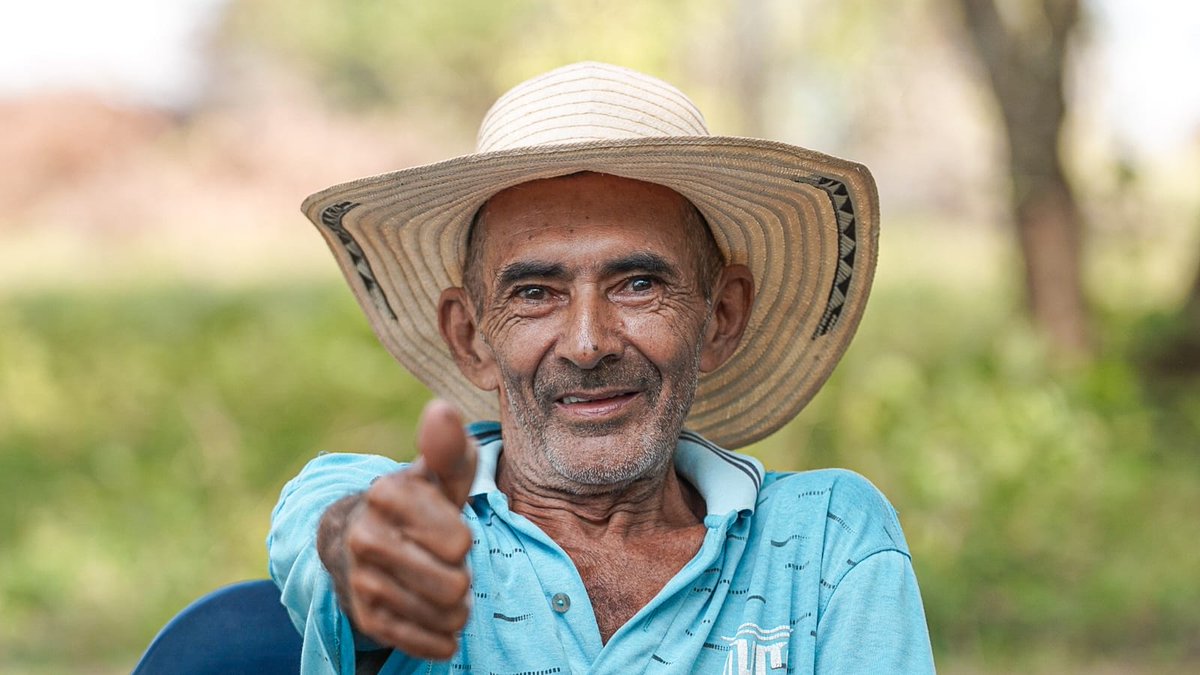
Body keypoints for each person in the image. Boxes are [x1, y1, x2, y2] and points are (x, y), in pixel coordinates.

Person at [270, 61, 934, 674]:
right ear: (470, 336)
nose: (588, 343)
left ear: (722, 316)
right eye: (535, 293)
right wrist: (356, 544)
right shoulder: (418, 530)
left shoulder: (827, 540)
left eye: (638, 283)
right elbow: (331, 524)